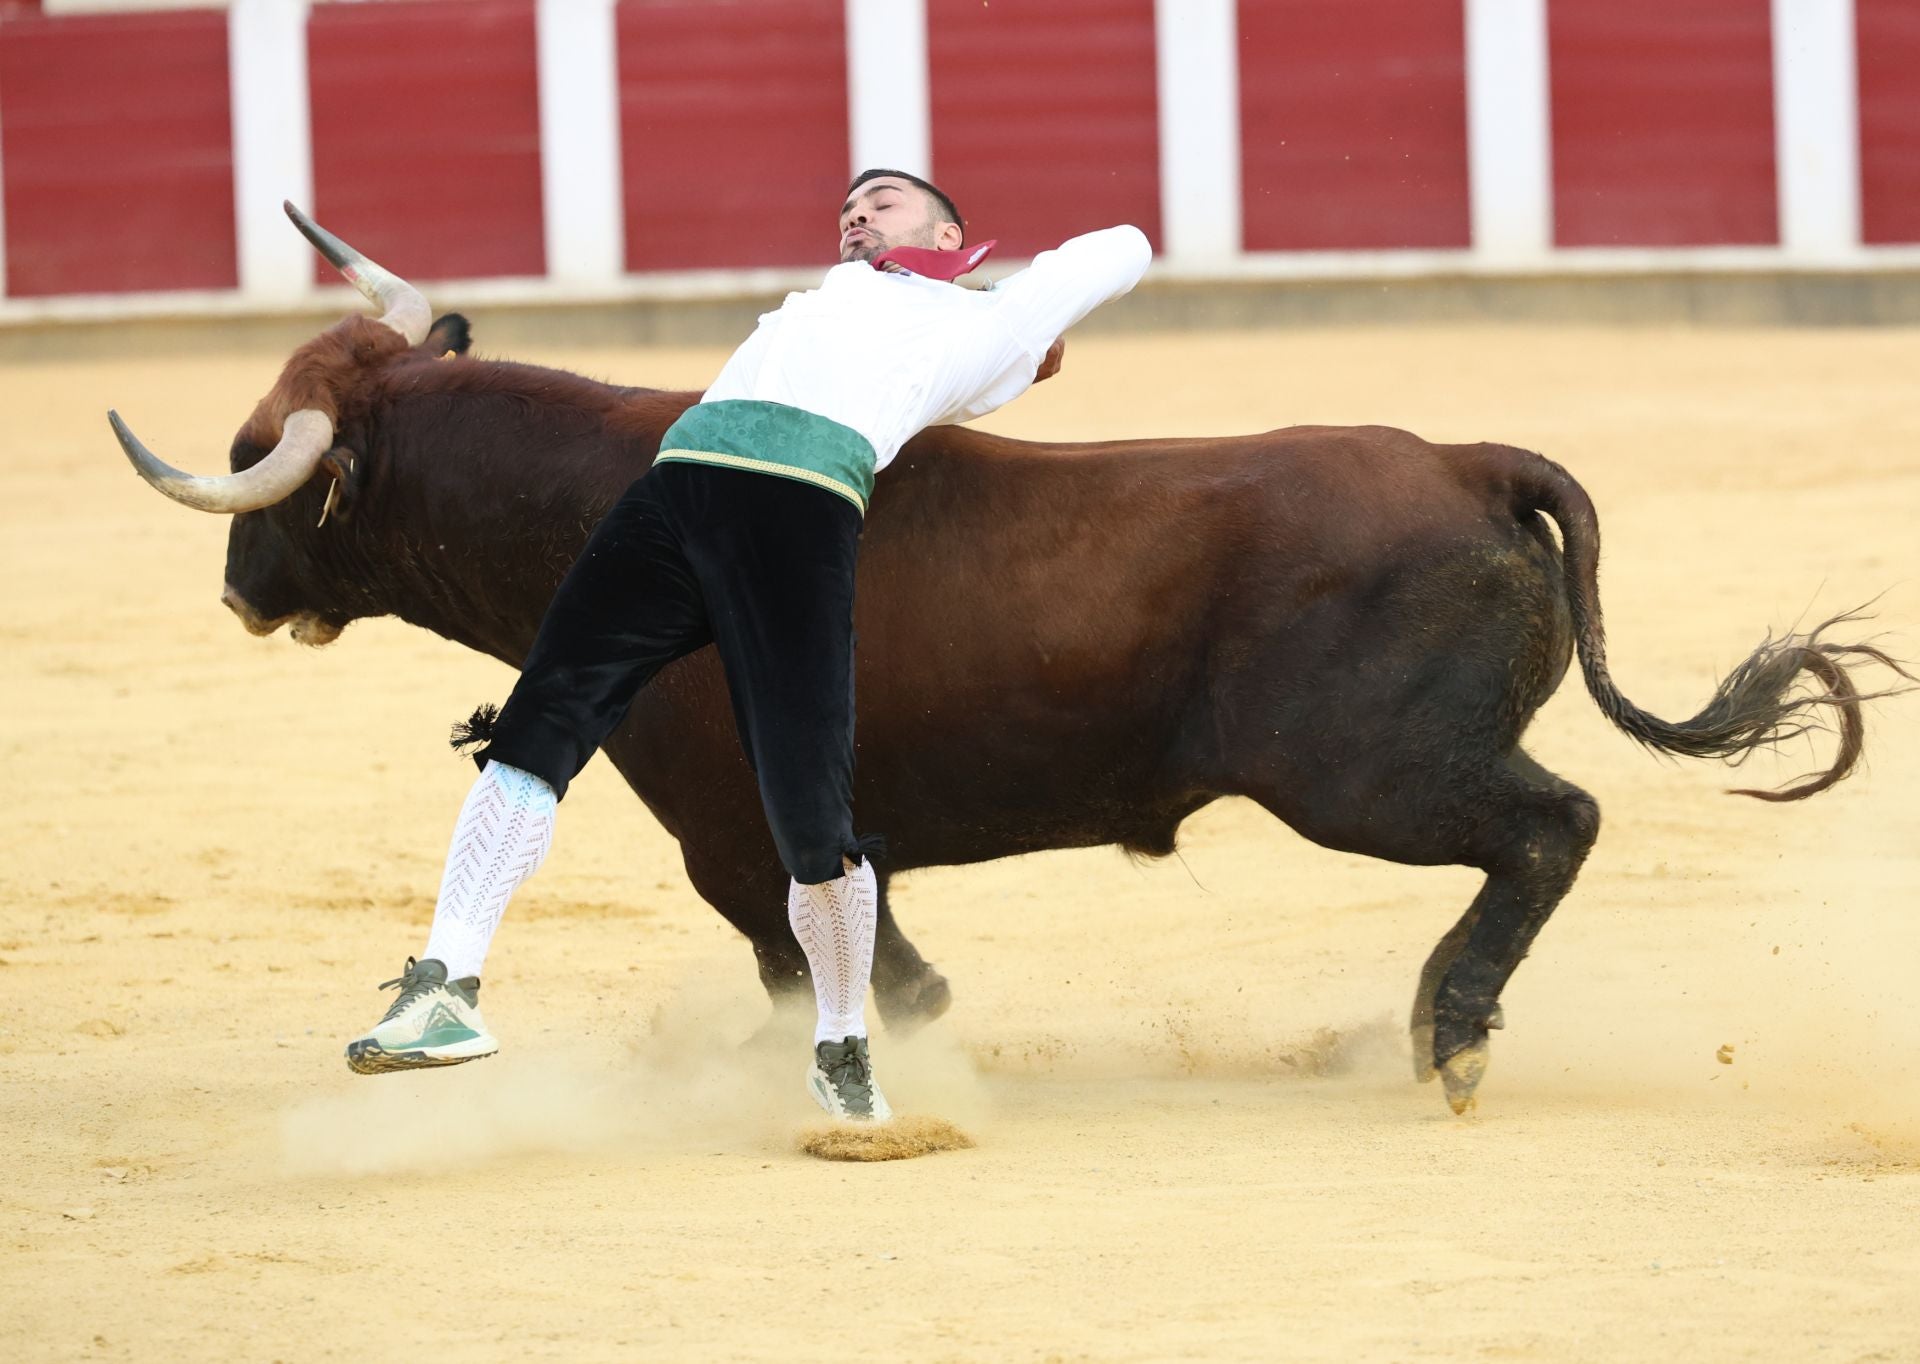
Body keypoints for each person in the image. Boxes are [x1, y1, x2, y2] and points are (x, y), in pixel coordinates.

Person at [343, 169, 1153, 1121]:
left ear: (948, 230)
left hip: (799, 510)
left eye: (884, 200)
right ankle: (445, 987)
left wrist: (997, 298)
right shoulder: (829, 300)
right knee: (540, 716)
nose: (856, 213)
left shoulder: (985, 326)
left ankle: (842, 1044)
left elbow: (1126, 243)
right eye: (849, 206)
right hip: (675, 485)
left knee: (811, 812)